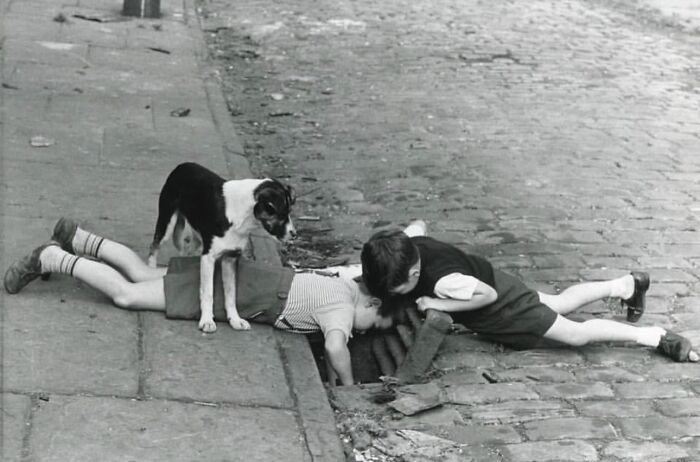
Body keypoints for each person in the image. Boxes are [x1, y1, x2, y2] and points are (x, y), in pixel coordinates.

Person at [4, 218, 393, 385]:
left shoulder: (340, 283)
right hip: (232, 293)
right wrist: (346, 383)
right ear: (372, 304)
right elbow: (335, 346)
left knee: (142, 272)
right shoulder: (342, 311)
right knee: (127, 295)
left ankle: (80, 237)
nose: (363, 333)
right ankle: (54, 258)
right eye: (371, 326)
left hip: (240, 272)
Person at [361, 220, 699, 363]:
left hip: (502, 305)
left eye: (398, 287)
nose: (396, 293)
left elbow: (486, 298)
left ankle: (656, 337)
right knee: (561, 302)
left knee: (576, 335)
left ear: (415, 272)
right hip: (501, 280)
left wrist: (435, 301)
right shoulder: (410, 243)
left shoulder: (444, 282)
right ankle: (624, 286)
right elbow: (418, 224)